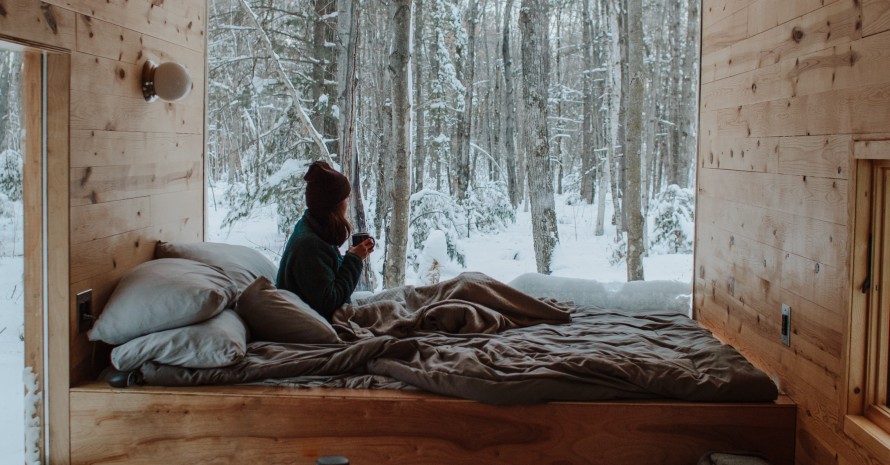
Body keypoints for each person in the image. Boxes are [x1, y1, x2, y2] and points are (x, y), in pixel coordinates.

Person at [276, 161, 375, 321]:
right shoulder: (309, 245)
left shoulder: (312, 228)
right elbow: (329, 301)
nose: (347, 202)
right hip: (313, 322)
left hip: (318, 314)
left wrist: (349, 257)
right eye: (345, 198)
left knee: (403, 297)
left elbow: (322, 277)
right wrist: (354, 260)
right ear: (333, 204)